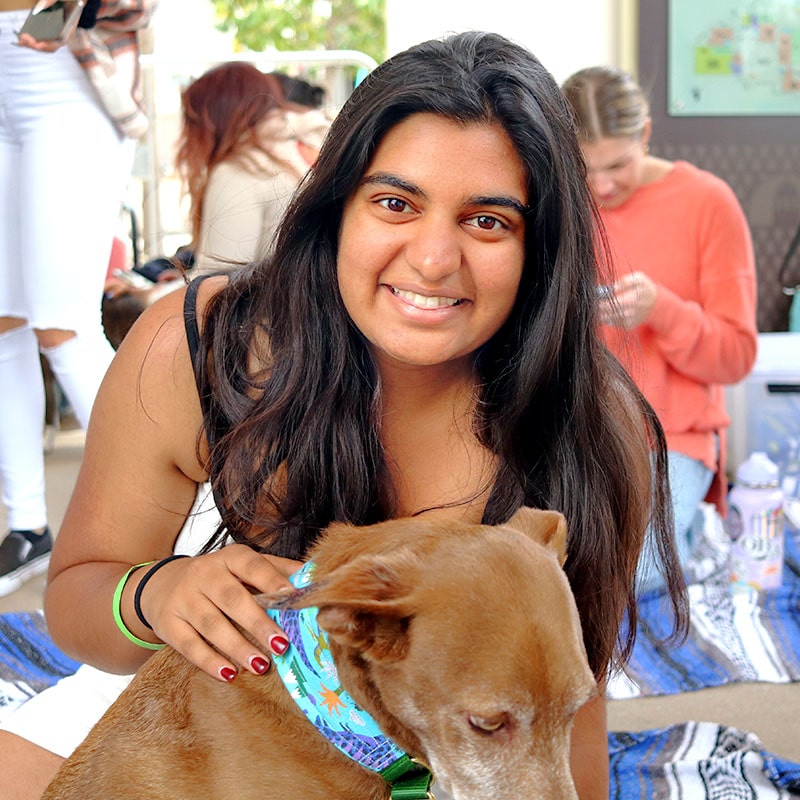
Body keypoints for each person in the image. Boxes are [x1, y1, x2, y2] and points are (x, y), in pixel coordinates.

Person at [0, 32, 688, 800]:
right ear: (336, 208)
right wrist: (156, 594)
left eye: (487, 221)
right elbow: (77, 603)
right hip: (195, 703)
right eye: (395, 203)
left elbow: (560, 705)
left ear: (541, 247)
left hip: (435, 748)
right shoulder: (202, 347)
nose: (432, 260)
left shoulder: (590, 427)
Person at [561, 66, 758, 592]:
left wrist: (663, 311)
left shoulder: (708, 204)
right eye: (586, 169)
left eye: (619, 164)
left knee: (627, 577)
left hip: (669, 442)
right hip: (574, 433)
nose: (601, 186)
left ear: (645, 135)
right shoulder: (557, 205)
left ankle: (689, 539)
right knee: (545, 563)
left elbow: (736, 356)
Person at [0, 0, 157, 598]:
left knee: (61, 326)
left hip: (65, 75)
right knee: (5, 324)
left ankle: (179, 512)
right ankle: (26, 526)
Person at [175, 61, 332, 275]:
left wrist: (149, 297)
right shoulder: (315, 140)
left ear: (210, 120)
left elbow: (215, 285)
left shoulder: (241, 169)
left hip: (282, 307)